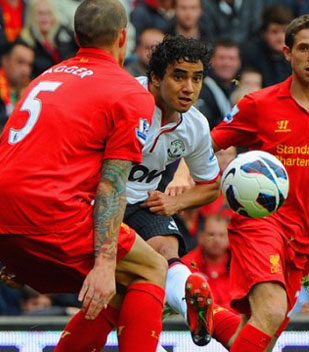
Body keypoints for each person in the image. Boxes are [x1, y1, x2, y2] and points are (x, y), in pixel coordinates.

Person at [174, 14, 309, 351]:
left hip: (303, 234)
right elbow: (209, 143)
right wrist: (183, 173)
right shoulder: (258, 104)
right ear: (287, 52)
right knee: (272, 312)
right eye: (304, 48)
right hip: (259, 222)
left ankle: (211, 317)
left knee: (261, 333)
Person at [0, 1, 168, 351]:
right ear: (123, 37)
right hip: (48, 214)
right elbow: (112, 183)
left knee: (121, 290)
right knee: (152, 270)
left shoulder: (47, 76)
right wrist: (105, 262)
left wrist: (18, 248)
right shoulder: (129, 92)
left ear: (78, 36)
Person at [124, 35, 222, 346]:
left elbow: (211, 185)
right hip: (95, 201)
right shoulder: (124, 99)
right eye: (179, 76)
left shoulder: (195, 125)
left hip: (142, 203)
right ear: (154, 78)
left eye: (197, 78)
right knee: (115, 297)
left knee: (166, 249)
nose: (189, 88)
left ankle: (190, 305)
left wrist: (174, 202)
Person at [182, 213, 233, 310]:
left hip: (235, 321)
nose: (216, 240)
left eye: (221, 235)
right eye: (211, 235)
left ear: (229, 238)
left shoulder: (239, 263)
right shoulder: (187, 264)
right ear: (201, 237)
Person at [18, 0, 77, 77]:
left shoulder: (65, 34)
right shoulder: (25, 40)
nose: (45, 18)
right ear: (32, 15)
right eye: (40, 14)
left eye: (48, 13)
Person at [240, 4, 293, 88]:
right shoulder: (250, 54)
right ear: (264, 33)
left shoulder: (294, 55)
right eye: (274, 31)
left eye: (284, 31)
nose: (280, 37)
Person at [195, 38, 240, 129]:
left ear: (239, 62)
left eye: (231, 58)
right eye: (221, 58)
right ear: (212, 61)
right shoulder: (201, 89)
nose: (226, 63)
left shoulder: (239, 87)